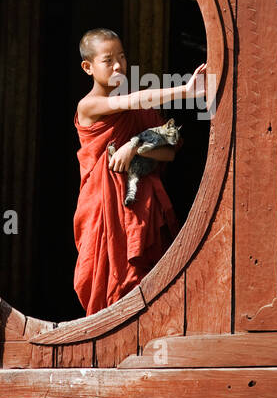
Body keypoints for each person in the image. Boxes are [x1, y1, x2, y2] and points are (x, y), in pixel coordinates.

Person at [72, 27, 207, 315]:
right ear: (88, 67)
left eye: (121, 56)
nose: (119, 65)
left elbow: (169, 150)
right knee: (109, 281)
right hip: (103, 209)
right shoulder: (89, 105)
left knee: (143, 285)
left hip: (142, 210)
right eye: (108, 60)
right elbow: (132, 101)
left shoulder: (138, 114)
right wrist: (185, 90)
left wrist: (135, 144)